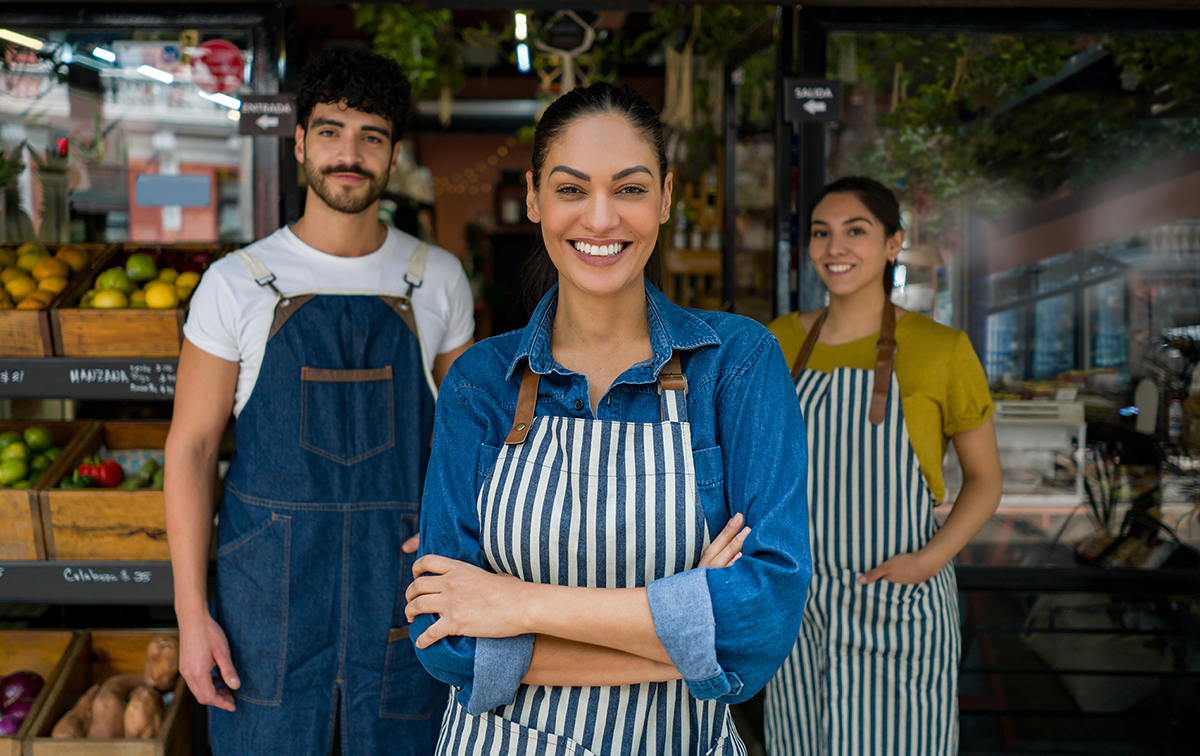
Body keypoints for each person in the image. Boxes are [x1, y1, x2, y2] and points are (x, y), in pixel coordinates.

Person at [403, 82, 812, 756]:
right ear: (534, 196)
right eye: (571, 189)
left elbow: (763, 622)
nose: (600, 219)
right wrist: (686, 642)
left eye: (628, 188)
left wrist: (519, 605)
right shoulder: (480, 381)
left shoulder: (735, 365)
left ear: (666, 197)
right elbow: (446, 645)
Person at [164, 46, 475, 755]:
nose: (350, 154)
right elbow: (190, 451)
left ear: (393, 155)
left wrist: (459, 529)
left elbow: (468, 441)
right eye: (331, 131)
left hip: (398, 597)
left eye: (371, 136)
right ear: (300, 142)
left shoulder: (439, 279)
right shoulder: (236, 283)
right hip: (265, 606)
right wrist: (190, 614)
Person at [762, 176, 1002, 756]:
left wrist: (926, 562)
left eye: (856, 231)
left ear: (894, 243)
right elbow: (757, 476)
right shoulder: (775, 343)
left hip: (901, 608)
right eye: (822, 233)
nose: (834, 247)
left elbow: (986, 480)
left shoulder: (943, 349)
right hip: (802, 613)